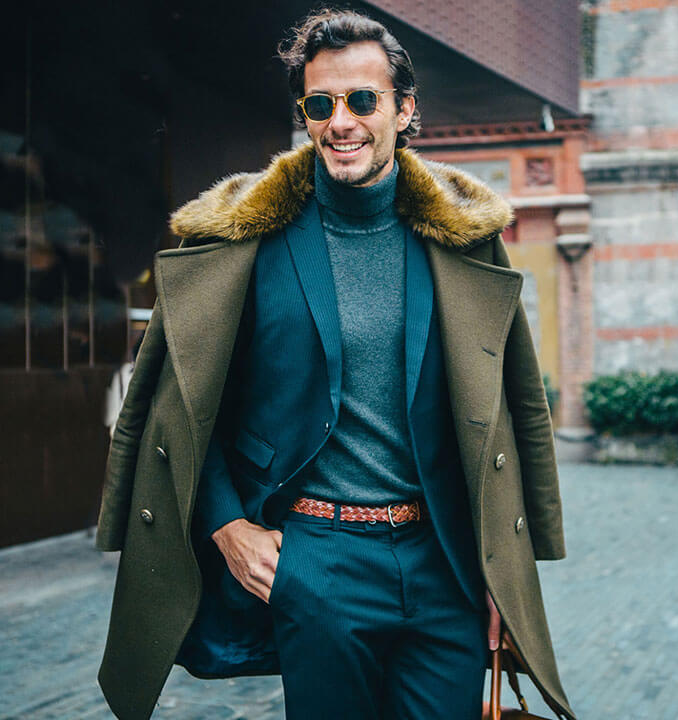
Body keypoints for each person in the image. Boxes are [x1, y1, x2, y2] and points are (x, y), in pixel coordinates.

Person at [94, 9, 573, 720]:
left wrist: (508, 573)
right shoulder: (244, 239)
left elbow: (515, 402)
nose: (340, 122)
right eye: (320, 105)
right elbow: (182, 406)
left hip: (445, 564)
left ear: (404, 110)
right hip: (317, 559)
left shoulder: (462, 236)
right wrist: (227, 526)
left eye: (362, 100)